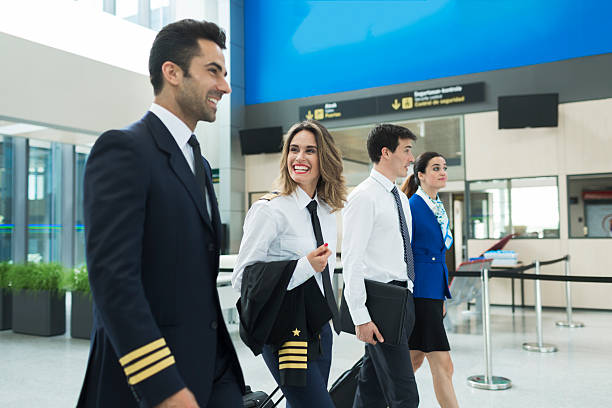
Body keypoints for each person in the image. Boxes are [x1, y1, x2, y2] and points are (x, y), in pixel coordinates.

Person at [77, 19, 244, 408]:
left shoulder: (197, 161)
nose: (225, 86)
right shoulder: (123, 150)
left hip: (211, 369)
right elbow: (113, 281)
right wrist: (162, 386)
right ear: (172, 72)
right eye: (213, 72)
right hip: (154, 379)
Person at [232, 120, 346, 408]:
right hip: (286, 331)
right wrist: (304, 266)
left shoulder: (326, 211)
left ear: (326, 158)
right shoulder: (269, 211)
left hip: (320, 329)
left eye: (310, 150)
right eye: (293, 150)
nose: (299, 157)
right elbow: (243, 279)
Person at [342, 123, 418, 408]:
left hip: (402, 298)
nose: (411, 158)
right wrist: (360, 316)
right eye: (407, 150)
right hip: (381, 304)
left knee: (371, 385)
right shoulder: (363, 196)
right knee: (405, 394)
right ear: (386, 152)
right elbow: (351, 259)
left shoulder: (400, 197)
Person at [400, 152, 458, 408]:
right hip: (419, 292)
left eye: (444, 167)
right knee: (443, 364)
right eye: (435, 168)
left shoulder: (438, 207)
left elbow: (439, 253)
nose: (442, 172)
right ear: (420, 175)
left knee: (414, 359)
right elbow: (404, 251)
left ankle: (382, 399)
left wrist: (441, 296)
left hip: (432, 293)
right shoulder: (412, 206)